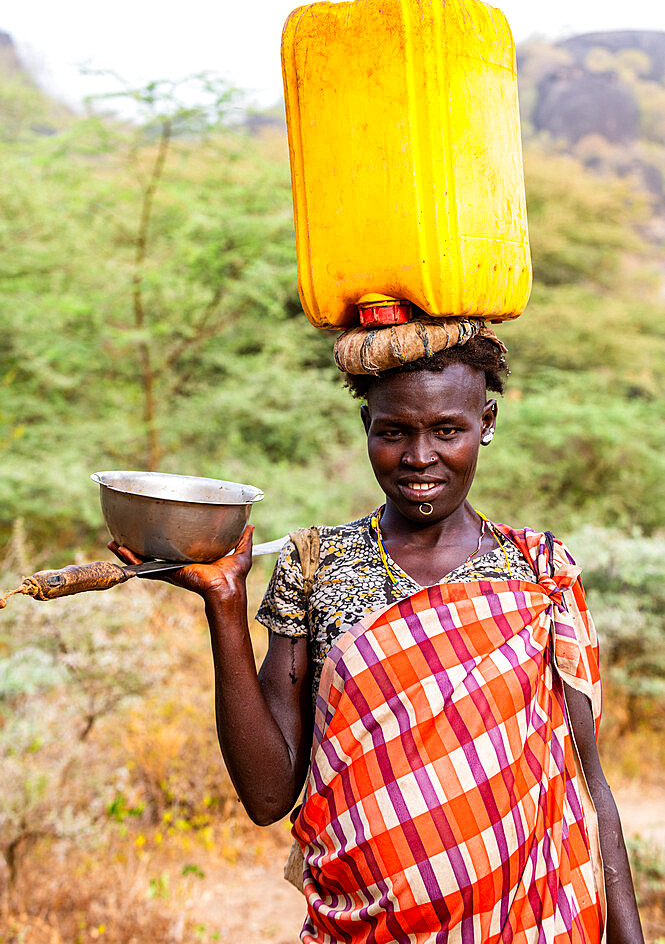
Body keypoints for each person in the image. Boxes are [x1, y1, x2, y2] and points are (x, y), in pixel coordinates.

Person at [112, 332, 643, 944]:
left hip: (528, 924)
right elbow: (266, 796)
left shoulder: (539, 571)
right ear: (367, 424)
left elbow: (586, 779)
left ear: (486, 422)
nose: (420, 457)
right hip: (364, 924)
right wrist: (225, 607)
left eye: (448, 431)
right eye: (393, 432)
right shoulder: (318, 565)